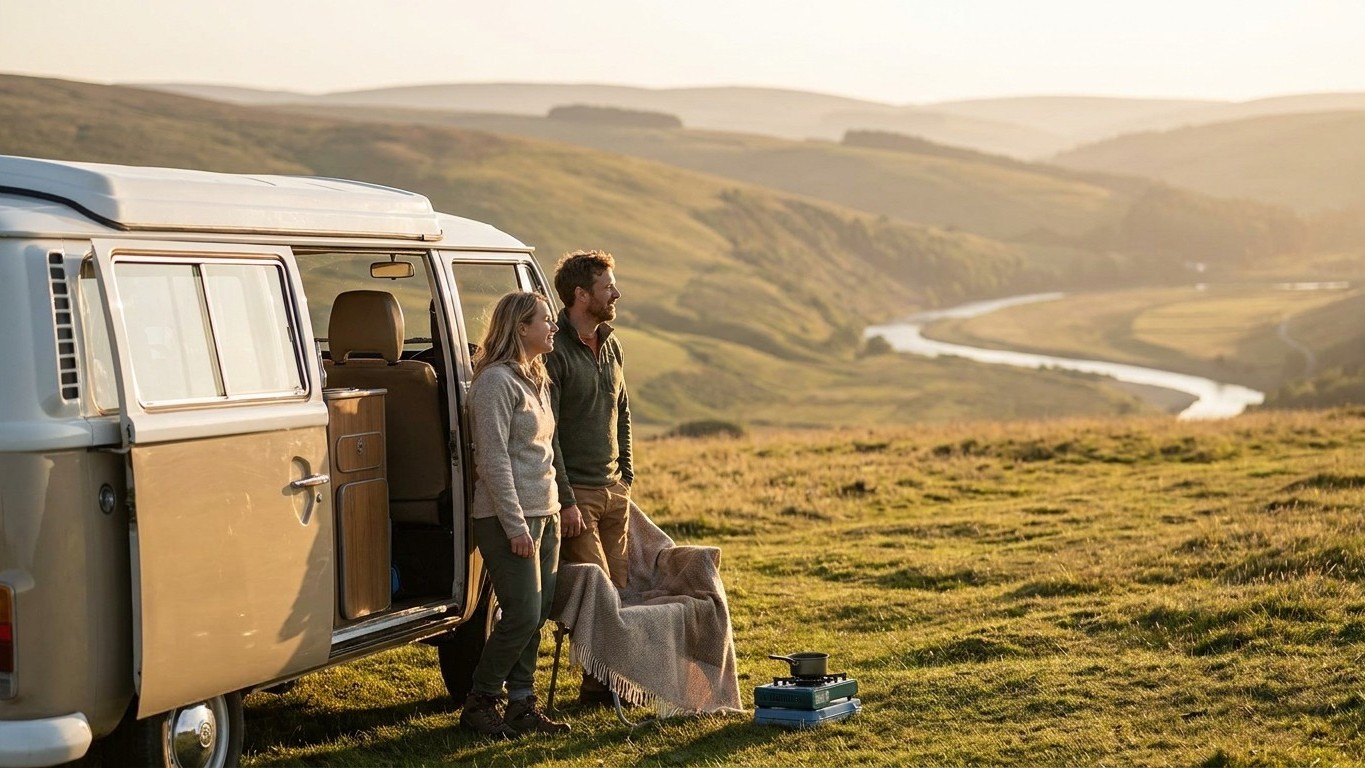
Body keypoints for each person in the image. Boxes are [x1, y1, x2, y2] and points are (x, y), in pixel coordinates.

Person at [460, 291, 571, 738]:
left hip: (546, 514)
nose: (553, 326)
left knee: (538, 612)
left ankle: (522, 703)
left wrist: (560, 508)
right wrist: (515, 525)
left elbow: (540, 452)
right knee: (522, 613)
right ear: (521, 328)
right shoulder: (494, 384)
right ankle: (480, 702)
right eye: (546, 320)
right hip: (508, 518)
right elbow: (493, 462)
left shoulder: (536, 378)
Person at [545, 249, 633, 706]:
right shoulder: (553, 349)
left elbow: (622, 410)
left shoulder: (611, 341)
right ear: (581, 295)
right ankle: (601, 690)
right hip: (576, 493)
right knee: (597, 593)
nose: (616, 293)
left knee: (617, 592)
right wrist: (565, 499)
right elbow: (548, 432)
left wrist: (627, 478)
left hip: (613, 490)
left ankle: (604, 687)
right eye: (607, 287)